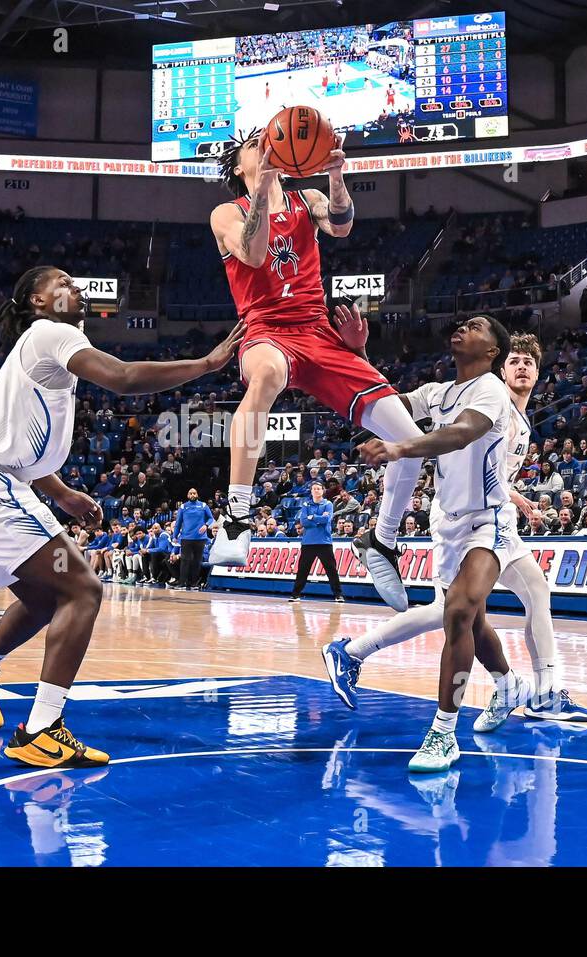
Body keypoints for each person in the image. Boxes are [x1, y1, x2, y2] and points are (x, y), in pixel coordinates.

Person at [0, 266, 242, 769]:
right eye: (61, 282)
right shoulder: (52, 333)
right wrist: (207, 363)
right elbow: (123, 379)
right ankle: (40, 729)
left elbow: (14, 444)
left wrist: (62, 492)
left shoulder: (44, 346)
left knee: (42, 599)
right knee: (83, 589)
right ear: (36, 300)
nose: (76, 287)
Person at [324, 332, 587, 721]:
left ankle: (542, 693)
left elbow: (489, 469)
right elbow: (414, 417)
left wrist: (512, 495)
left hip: (493, 516)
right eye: (515, 360)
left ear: (538, 373)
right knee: (451, 611)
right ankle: (352, 652)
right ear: (501, 367)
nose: (522, 367)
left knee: (534, 591)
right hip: (463, 519)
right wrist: (362, 362)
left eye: (529, 362)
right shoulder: (486, 399)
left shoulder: (519, 418)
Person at [208, 129, 424, 613]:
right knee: (264, 378)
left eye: (271, 142)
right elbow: (256, 254)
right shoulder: (227, 213)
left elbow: (344, 224)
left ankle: (382, 540)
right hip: (266, 330)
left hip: (318, 331)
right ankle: (238, 515)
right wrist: (262, 192)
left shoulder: (308, 199)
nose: (267, 148)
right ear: (240, 167)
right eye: (255, 146)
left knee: (409, 441)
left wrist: (335, 174)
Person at [353, 315, 534, 773]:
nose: (461, 329)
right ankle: (509, 684)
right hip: (448, 526)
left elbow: (461, 434)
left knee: (458, 610)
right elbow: (385, 407)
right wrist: (358, 354)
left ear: (492, 349)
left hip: (488, 520)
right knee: (471, 622)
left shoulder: (490, 389)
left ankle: (442, 733)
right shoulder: (436, 392)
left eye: (474, 326)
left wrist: (400, 450)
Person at [290, 482, 343, 603]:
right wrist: (318, 519)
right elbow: (304, 522)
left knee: (331, 570)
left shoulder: (328, 504)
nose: (316, 490)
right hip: (308, 542)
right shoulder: (306, 504)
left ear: (323, 490)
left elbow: (327, 519)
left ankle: (338, 594)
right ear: (311, 491)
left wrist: (312, 517)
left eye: (318, 488)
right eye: (314, 488)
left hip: (324, 542)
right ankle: (295, 594)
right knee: (303, 570)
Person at [175, 488, 214, 590]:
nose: (192, 495)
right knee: (185, 560)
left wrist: (206, 525)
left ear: (197, 494)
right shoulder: (183, 507)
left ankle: (194, 584)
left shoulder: (203, 505)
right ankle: (182, 583)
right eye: (190, 493)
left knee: (196, 561)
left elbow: (211, 518)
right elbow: (178, 523)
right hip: (186, 537)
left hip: (200, 538)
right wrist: (174, 536)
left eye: (194, 493)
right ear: (188, 495)